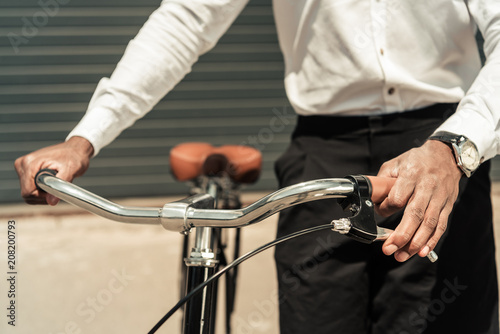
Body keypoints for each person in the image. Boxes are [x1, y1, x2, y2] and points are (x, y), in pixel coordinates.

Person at [14, 1, 500, 333]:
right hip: (324, 151)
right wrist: (86, 137)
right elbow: (187, 19)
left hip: (442, 149)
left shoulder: (449, 151)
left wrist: (456, 147)